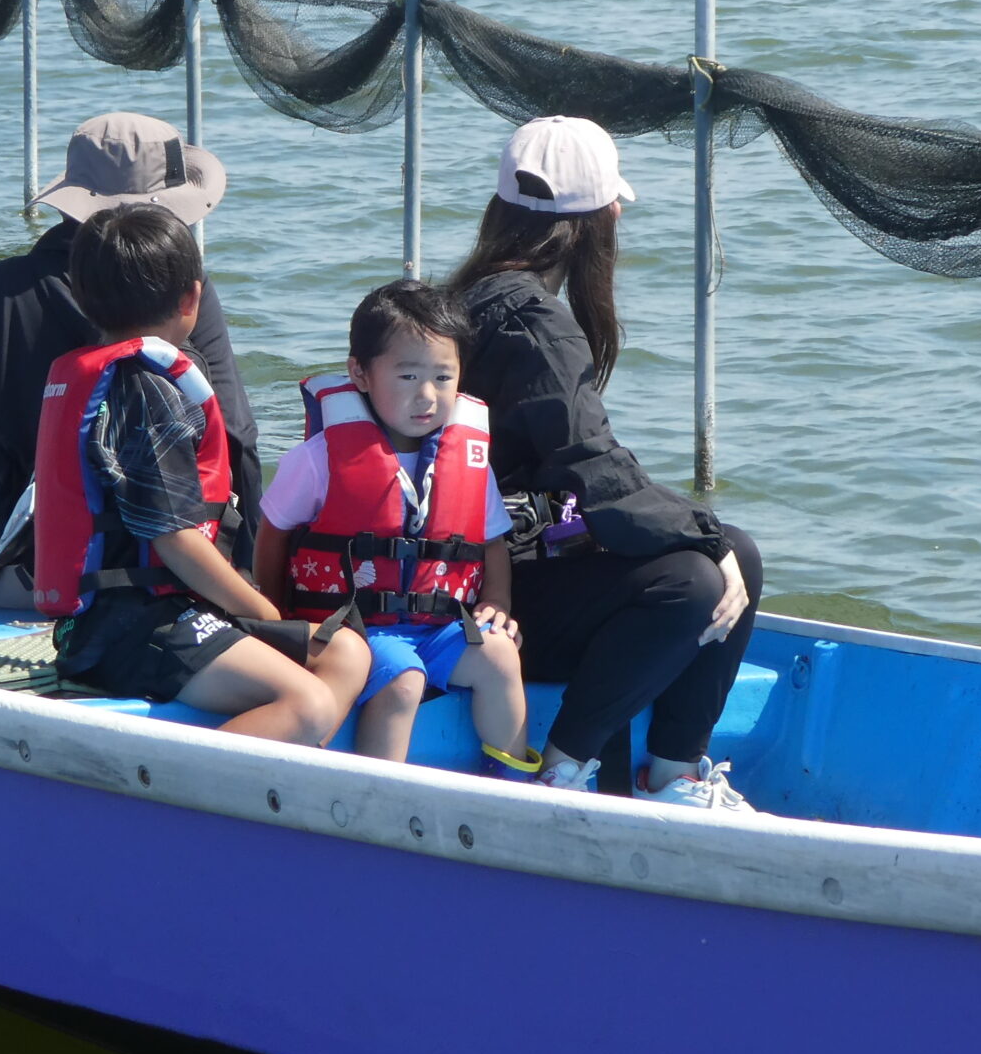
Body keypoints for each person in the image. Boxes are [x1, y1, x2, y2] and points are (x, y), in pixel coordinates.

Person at [448, 116, 763, 813]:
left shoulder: (467, 301)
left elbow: (587, 476)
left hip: (470, 572)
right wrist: (703, 536)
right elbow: (593, 470)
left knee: (732, 549)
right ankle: (562, 768)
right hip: (496, 600)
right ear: (600, 218)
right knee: (692, 581)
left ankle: (673, 774)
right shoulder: (539, 326)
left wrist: (708, 534)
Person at [0, 113, 261, 609]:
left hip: (39, 580)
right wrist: (248, 576)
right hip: (183, 577)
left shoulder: (1, 289)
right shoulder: (185, 297)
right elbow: (236, 437)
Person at [36, 205, 367, 740]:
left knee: (345, 652)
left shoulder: (107, 375)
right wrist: (265, 612)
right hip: (127, 628)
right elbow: (174, 540)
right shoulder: (149, 391)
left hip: (164, 609)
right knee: (307, 703)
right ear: (192, 298)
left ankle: (286, 776)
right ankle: (178, 784)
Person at [254, 280, 534, 773]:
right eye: (407, 376)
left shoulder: (470, 460)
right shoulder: (319, 459)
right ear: (360, 374)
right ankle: (376, 799)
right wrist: (276, 615)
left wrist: (498, 602)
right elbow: (272, 532)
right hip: (355, 631)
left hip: (441, 627)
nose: (427, 395)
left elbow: (491, 543)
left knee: (499, 657)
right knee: (404, 681)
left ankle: (513, 785)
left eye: (443, 377)